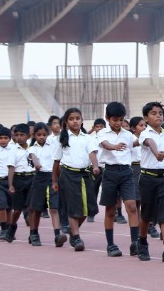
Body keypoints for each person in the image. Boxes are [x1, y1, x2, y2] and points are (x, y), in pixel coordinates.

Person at [51, 107, 100, 251]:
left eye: (77, 118)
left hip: (85, 175)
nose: (75, 121)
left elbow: (92, 154)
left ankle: (72, 231)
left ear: (82, 120)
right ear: (66, 122)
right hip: (68, 175)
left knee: (88, 209)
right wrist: (54, 181)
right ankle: (77, 238)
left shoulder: (87, 138)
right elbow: (56, 162)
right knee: (74, 207)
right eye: (71, 119)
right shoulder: (62, 138)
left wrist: (95, 166)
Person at [96, 102, 141, 258]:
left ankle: (135, 243)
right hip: (110, 172)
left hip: (126, 173)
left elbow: (136, 143)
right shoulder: (102, 133)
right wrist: (113, 147)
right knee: (110, 210)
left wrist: (146, 137)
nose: (118, 123)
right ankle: (110, 244)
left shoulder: (128, 134)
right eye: (114, 119)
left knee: (132, 206)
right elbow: (105, 145)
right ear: (107, 118)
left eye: (121, 120)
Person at [139, 102, 164, 262]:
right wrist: (156, 154)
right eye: (153, 113)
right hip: (148, 177)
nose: (158, 116)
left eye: (160, 113)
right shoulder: (144, 133)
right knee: (147, 214)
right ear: (146, 118)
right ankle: (142, 242)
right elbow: (150, 143)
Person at [27, 122, 65, 247]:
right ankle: (34, 233)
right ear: (34, 135)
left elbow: (58, 159)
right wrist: (36, 164)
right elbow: (34, 157)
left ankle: (57, 235)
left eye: (44, 134)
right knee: (36, 208)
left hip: (53, 177)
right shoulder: (32, 148)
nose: (41, 137)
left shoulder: (53, 144)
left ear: (48, 134)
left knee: (54, 208)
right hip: (40, 177)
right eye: (38, 135)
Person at [4, 123, 35, 243]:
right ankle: (11, 228)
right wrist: (11, 184)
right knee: (17, 209)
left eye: (22, 135)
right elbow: (11, 168)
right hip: (18, 179)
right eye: (16, 135)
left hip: (31, 178)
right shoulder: (13, 150)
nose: (19, 138)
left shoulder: (33, 148)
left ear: (28, 135)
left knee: (31, 208)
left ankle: (33, 233)